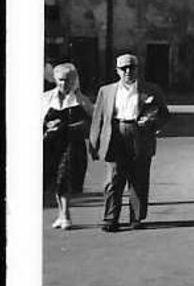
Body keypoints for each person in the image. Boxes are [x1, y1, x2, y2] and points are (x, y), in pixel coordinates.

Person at [88, 54, 171, 231]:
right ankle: (111, 219)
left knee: (139, 178)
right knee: (113, 179)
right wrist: (94, 144)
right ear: (117, 70)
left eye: (131, 68)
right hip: (115, 134)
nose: (128, 71)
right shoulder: (106, 91)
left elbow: (164, 115)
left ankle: (137, 218)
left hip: (140, 135)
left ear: (137, 69)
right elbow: (98, 119)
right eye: (123, 68)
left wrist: (151, 122)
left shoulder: (151, 90)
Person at [43, 62, 95, 230]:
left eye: (68, 80)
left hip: (72, 144)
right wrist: (48, 126)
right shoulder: (46, 98)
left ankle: (66, 216)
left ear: (74, 81)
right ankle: (62, 214)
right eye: (60, 80)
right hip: (51, 145)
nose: (64, 84)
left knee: (63, 179)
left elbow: (91, 121)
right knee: (54, 181)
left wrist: (70, 126)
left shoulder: (80, 99)